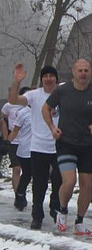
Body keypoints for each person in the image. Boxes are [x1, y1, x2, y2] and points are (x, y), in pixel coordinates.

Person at [43, 58, 92, 235]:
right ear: (73, 71)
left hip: (88, 145)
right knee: (69, 181)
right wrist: (52, 128)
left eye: (86, 70)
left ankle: (80, 221)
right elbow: (45, 108)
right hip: (66, 143)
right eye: (80, 70)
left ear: (90, 72)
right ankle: (63, 210)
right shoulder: (62, 91)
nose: (83, 74)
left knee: (87, 185)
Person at [10, 64, 62, 230]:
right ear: (41, 79)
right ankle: (37, 215)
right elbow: (13, 100)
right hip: (39, 146)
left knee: (59, 179)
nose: (48, 79)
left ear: (56, 79)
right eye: (45, 76)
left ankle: (55, 204)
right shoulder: (34, 95)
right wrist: (17, 82)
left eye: (51, 76)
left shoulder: (63, 94)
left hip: (60, 145)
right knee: (39, 183)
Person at [3, 87, 30, 209]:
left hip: (27, 143)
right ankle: (17, 196)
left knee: (28, 172)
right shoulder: (9, 106)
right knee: (16, 169)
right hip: (14, 142)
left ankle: (21, 192)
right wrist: (5, 140)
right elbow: (2, 118)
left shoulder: (33, 110)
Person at [9, 95, 33, 211]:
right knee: (27, 174)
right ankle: (20, 194)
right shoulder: (23, 113)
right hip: (24, 149)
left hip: (40, 149)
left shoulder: (45, 111)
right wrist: (7, 142)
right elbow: (15, 131)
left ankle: (37, 204)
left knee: (39, 176)